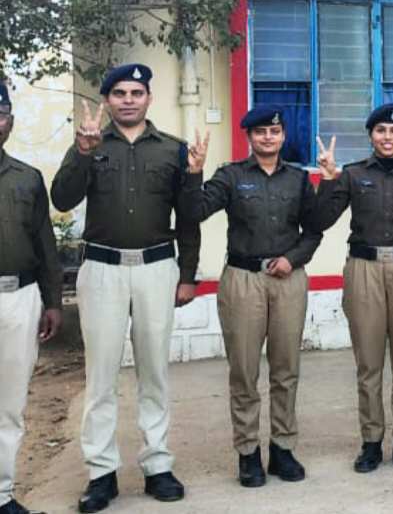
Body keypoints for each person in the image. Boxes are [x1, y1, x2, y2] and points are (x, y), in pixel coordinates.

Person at [51, 64, 200, 513]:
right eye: (120, 93)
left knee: (154, 372)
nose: (128, 100)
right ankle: (101, 473)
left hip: (157, 268)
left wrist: (188, 274)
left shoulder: (173, 149)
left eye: (136, 92)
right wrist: (82, 153)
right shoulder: (90, 144)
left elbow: (188, 217)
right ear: (107, 100)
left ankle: (157, 465)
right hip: (102, 269)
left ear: (149, 98)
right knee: (101, 377)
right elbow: (61, 199)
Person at [182, 106, 327, 487]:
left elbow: (314, 230)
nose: (267, 137)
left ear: (283, 136)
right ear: (249, 137)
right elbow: (195, 211)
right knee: (244, 371)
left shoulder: (297, 179)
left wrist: (293, 259)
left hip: (287, 279)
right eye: (260, 131)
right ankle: (248, 453)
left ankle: (283, 448)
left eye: (274, 131)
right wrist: (194, 172)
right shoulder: (230, 176)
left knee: (286, 369)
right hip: (243, 280)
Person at [315, 103, 393, 475]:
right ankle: (371, 442)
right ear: (371, 135)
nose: (388, 137)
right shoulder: (353, 175)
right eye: (381, 130)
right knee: (368, 364)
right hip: (364, 270)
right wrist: (328, 180)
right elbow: (321, 219)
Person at [0, 83, 63, 514]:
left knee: (10, 404)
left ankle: (2, 494)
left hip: (18, 298)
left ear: (10, 121)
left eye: (1, 114)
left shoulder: (28, 178)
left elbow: (45, 244)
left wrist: (53, 301)